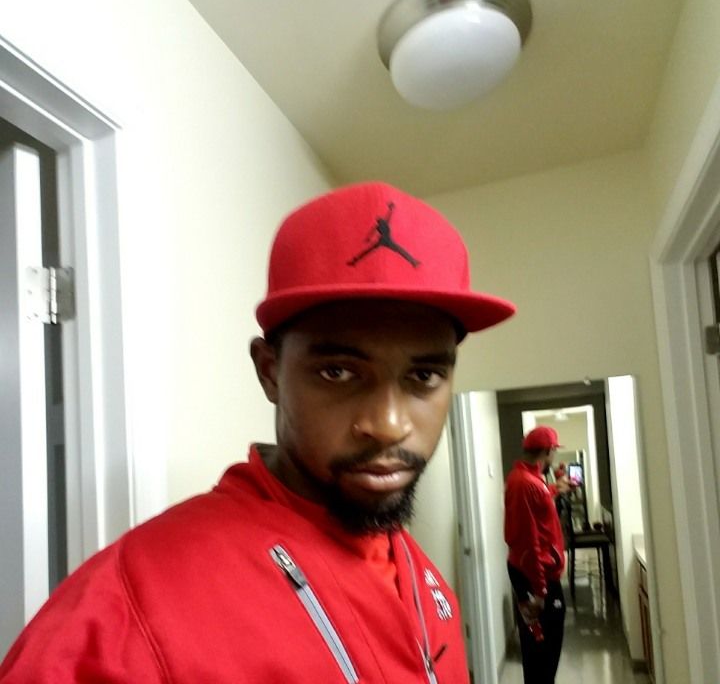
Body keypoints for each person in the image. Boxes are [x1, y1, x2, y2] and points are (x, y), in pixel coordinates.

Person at [0, 181, 516, 683]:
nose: (388, 426)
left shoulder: (424, 578)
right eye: (338, 371)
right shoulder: (129, 610)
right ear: (269, 371)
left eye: (424, 376)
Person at [504, 425, 570, 684]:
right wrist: (540, 592)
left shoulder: (526, 479)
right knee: (543, 657)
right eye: (554, 450)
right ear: (548, 450)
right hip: (537, 580)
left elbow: (536, 507)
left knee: (540, 656)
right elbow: (529, 541)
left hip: (533, 575)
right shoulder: (526, 484)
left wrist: (553, 490)